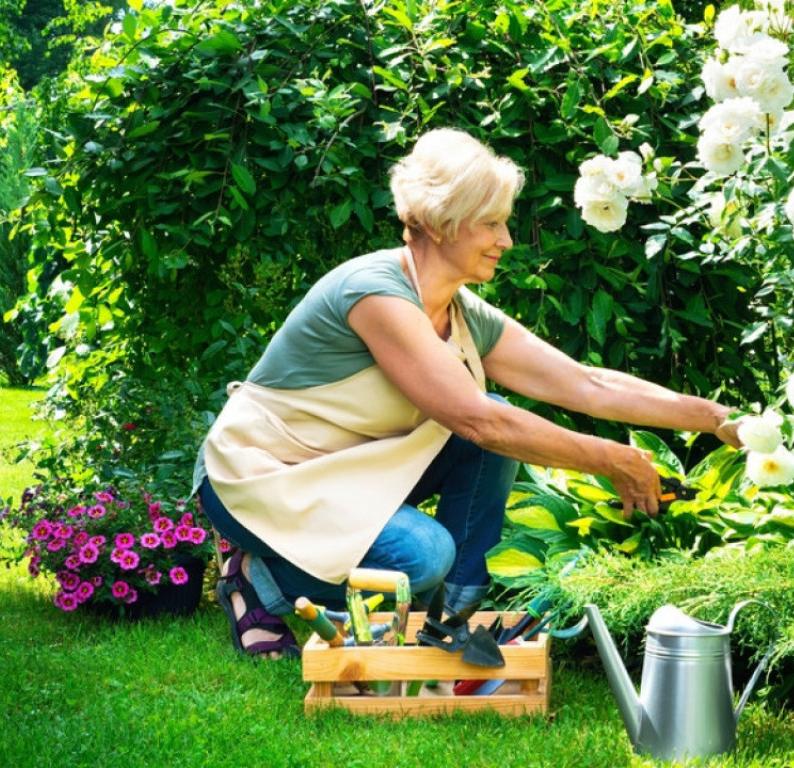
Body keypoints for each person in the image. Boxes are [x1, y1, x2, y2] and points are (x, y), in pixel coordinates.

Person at [194, 128, 743, 658]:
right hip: (263, 476)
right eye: (491, 224)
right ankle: (257, 577)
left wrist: (716, 418)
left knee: (493, 430)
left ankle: (448, 619)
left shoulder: (458, 310)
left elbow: (585, 382)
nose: (505, 240)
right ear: (440, 222)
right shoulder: (373, 294)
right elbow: (479, 421)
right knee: (421, 554)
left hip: (349, 476)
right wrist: (612, 460)